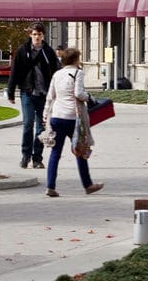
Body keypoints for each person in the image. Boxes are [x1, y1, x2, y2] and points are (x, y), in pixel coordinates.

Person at [42, 47, 104, 197]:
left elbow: (50, 96)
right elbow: (79, 94)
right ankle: (88, 184)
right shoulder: (78, 73)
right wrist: (89, 97)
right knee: (80, 150)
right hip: (73, 118)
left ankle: (50, 186)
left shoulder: (57, 74)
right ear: (76, 59)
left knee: (55, 153)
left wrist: (45, 117)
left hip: (57, 116)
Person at [6, 22, 60, 169]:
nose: (37, 37)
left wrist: (57, 92)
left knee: (41, 127)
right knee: (28, 124)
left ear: (43, 35)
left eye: (40, 34)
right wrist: (10, 92)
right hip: (28, 93)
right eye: (34, 34)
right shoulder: (23, 51)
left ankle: (37, 158)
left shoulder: (48, 52)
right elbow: (15, 72)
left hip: (44, 95)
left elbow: (56, 72)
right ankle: (25, 155)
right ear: (30, 35)